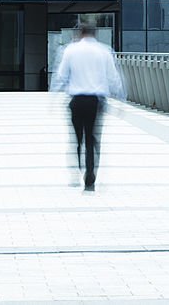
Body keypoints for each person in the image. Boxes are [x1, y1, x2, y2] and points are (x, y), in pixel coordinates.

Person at [50, 21, 125, 191]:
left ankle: (78, 170)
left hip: (76, 100)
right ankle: (90, 175)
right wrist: (121, 98)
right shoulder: (104, 51)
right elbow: (113, 77)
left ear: (80, 33)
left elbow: (61, 76)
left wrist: (53, 96)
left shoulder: (70, 50)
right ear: (94, 33)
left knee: (77, 139)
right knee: (92, 138)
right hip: (96, 101)